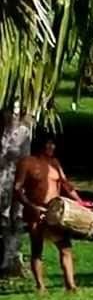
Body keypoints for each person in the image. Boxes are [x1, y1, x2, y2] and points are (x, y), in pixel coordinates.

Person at [13, 135, 85, 292]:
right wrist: (30, 206)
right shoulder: (27, 163)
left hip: (56, 211)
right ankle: (40, 286)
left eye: (53, 145)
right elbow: (17, 189)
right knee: (37, 249)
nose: (51, 148)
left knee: (65, 248)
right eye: (48, 145)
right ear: (41, 146)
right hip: (36, 211)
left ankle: (70, 285)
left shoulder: (55, 163)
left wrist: (80, 202)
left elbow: (66, 185)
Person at [0, 102, 32, 277]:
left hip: (15, 179)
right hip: (2, 179)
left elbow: (25, 160)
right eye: (10, 112)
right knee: (3, 218)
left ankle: (12, 257)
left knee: (16, 217)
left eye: (16, 112)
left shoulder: (24, 132)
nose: (12, 115)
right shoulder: (2, 130)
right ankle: (6, 257)